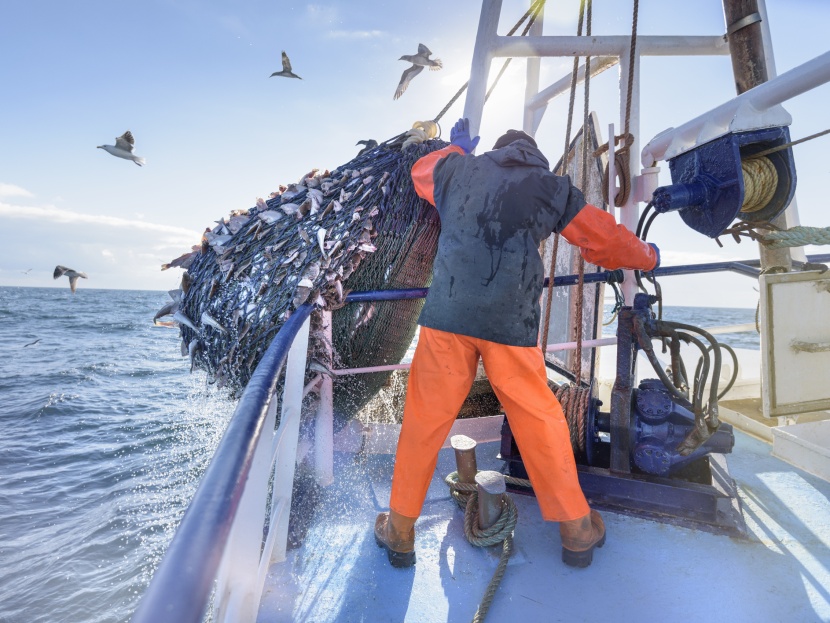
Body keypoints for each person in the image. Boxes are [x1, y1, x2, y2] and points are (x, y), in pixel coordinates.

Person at [374, 118, 660, 569]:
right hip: (511, 324)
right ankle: (577, 530)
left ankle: (401, 531)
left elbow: (420, 171)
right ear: (536, 159)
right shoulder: (550, 186)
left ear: (495, 153)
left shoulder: (457, 170)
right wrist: (649, 255)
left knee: (424, 422)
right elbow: (602, 239)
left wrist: (457, 150)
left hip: (448, 318)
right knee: (540, 420)